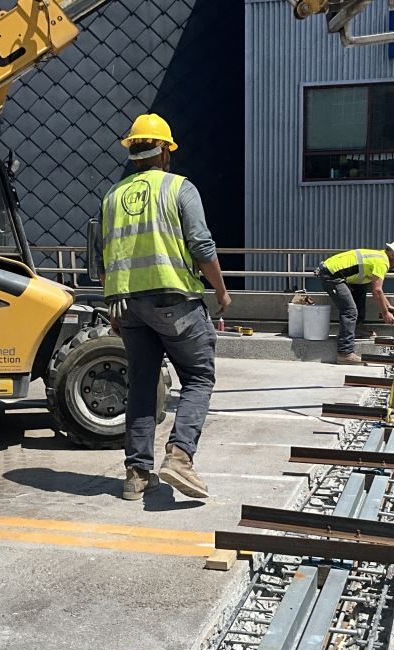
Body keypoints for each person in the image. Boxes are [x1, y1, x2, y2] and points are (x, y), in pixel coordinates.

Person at [97, 113, 231, 501]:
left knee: (141, 386)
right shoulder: (179, 188)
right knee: (199, 377)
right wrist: (221, 290)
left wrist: (113, 306)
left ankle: (136, 474)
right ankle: (179, 457)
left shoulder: (112, 197)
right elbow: (201, 246)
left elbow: (105, 256)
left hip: (127, 305)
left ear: (133, 153)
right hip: (174, 301)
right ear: (166, 153)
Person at [315, 242, 394, 364]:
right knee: (349, 311)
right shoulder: (382, 262)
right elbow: (377, 291)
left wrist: (387, 305)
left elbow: (376, 289)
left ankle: (357, 327)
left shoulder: (380, 256)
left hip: (336, 272)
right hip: (332, 275)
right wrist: (385, 313)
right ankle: (345, 353)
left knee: (361, 287)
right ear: (392, 254)